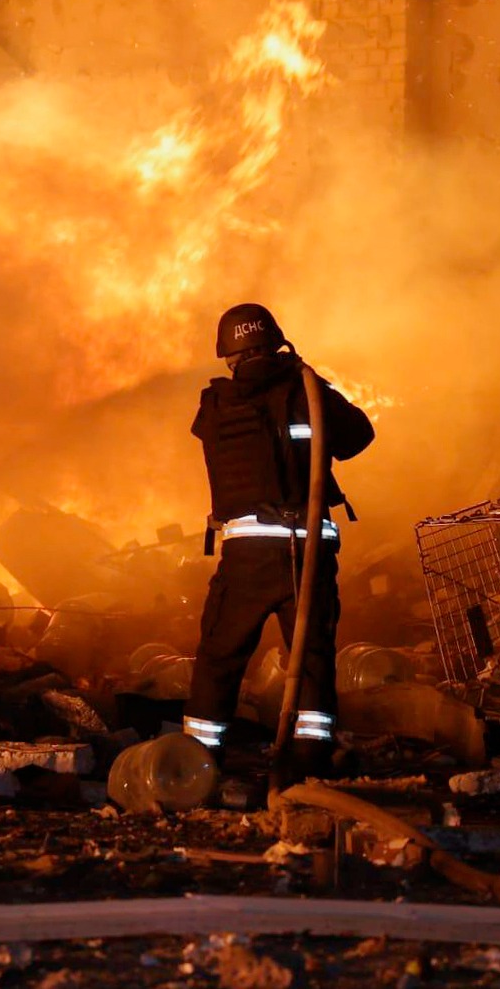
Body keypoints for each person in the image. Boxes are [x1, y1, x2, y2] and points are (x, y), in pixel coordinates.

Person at [181, 302, 375, 788]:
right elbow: (358, 436)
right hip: (307, 551)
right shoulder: (306, 390)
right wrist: (311, 381)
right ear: (276, 341)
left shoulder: (215, 406)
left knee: (221, 655)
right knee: (311, 656)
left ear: (229, 354)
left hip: (246, 554)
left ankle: (196, 761)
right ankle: (308, 760)